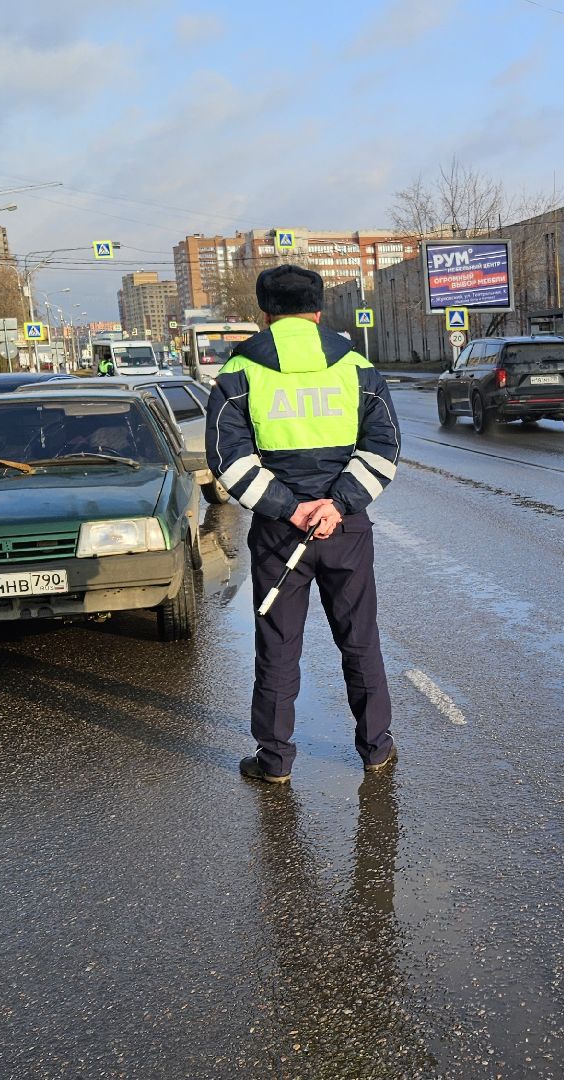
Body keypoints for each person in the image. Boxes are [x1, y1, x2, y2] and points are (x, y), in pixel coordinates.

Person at [206, 265, 402, 783]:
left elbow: (229, 461)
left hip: (278, 533)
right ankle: (376, 748)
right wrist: (337, 504)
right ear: (318, 312)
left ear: (265, 315)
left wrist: (290, 509)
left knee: (277, 643)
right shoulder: (357, 367)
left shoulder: (238, 372)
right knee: (359, 639)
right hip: (345, 529)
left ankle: (274, 760)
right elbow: (384, 448)